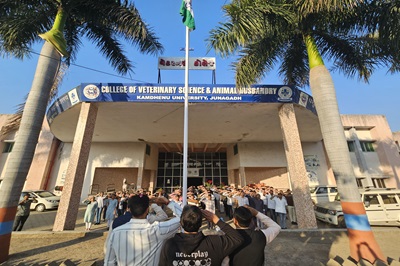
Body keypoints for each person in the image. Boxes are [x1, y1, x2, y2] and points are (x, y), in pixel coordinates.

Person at [104, 194, 181, 266]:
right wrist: (168, 202)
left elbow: (109, 262)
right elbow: (185, 217)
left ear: (129, 209)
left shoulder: (116, 232)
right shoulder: (158, 230)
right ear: (147, 210)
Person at [159, 205, 244, 266]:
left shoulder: (170, 244)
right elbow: (237, 238)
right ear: (200, 224)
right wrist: (215, 219)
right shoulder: (214, 242)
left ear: (181, 223)